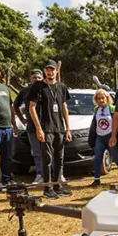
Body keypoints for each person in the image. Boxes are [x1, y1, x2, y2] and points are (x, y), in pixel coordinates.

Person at [27, 60, 72, 199]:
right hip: (46, 129)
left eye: (52, 69)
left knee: (59, 158)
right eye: (47, 69)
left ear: (56, 71)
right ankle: (47, 188)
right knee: (47, 159)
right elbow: (32, 107)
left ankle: (57, 185)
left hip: (59, 128)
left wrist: (68, 128)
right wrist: (38, 128)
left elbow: (64, 107)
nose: (50, 72)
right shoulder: (38, 87)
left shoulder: (62, 87)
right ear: (44, 71)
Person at [87, 89, 118, 187]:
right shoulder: (96, 110)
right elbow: (95, 124)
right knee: (98, 158)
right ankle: (96, 179)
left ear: (107, 98)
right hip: (100, 137)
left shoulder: (112, 109)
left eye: (103, 98)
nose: (101, 100)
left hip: (111, 137)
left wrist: (116, 136)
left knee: (116, 157)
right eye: (98, 98)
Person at [14, 69, 45, 184]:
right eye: (34, 77)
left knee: (49, 152)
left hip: (47, 126)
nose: (36, 79)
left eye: (39, 77)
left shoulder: (47, 89)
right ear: (30, 79)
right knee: (37, 152)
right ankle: (40, 174)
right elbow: (16, 106)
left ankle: (52, 174)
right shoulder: (25, 91)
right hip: (32, 127)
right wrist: (22, 119)